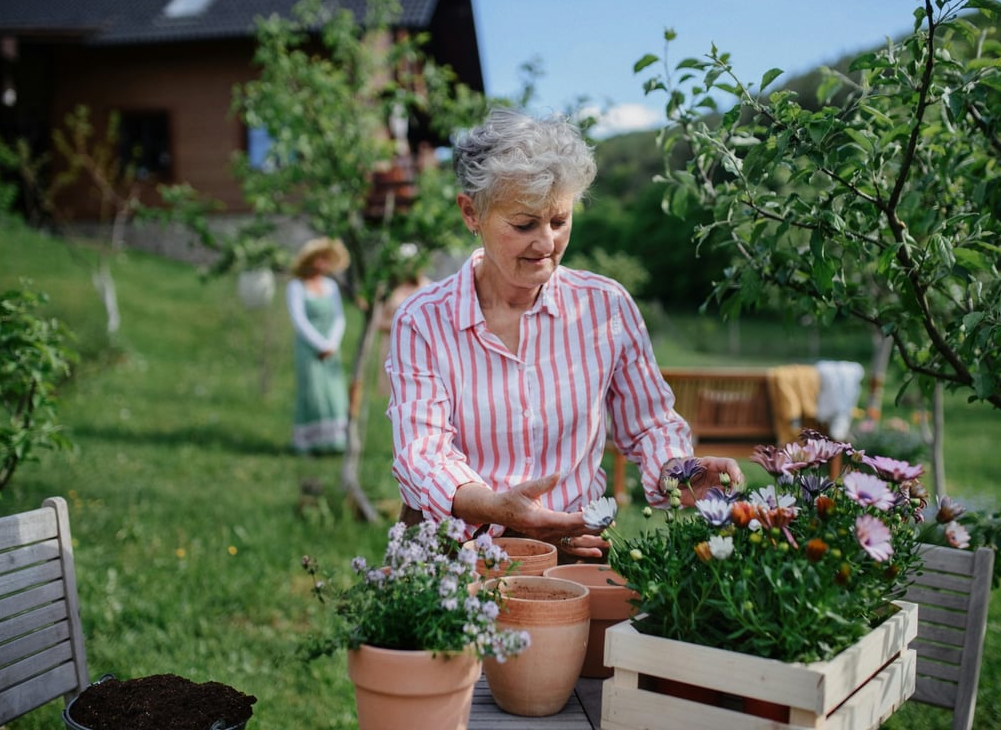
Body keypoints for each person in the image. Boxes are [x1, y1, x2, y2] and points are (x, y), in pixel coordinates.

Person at [385, 107, 743, 560]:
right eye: (524, 224)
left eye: (559, 221)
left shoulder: (605, 307)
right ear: (470, 212)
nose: (546, 243)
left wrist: (683, 473)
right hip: (455, 558)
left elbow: (649, 425)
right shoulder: (423, 319)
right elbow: (423, 452)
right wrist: (496, 508)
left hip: (575, 551)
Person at [287, 237, 351, 455]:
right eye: (319, 259)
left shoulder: (330, 286)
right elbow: (299, 320)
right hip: (309, 347)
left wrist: (332, 343)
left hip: (331, 348)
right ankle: (309, 443)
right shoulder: (297, 286)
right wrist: (319, 344)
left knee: (333, 391)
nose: (322, 263)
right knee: (313, 392)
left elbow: (339, 318)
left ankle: (334, 442)